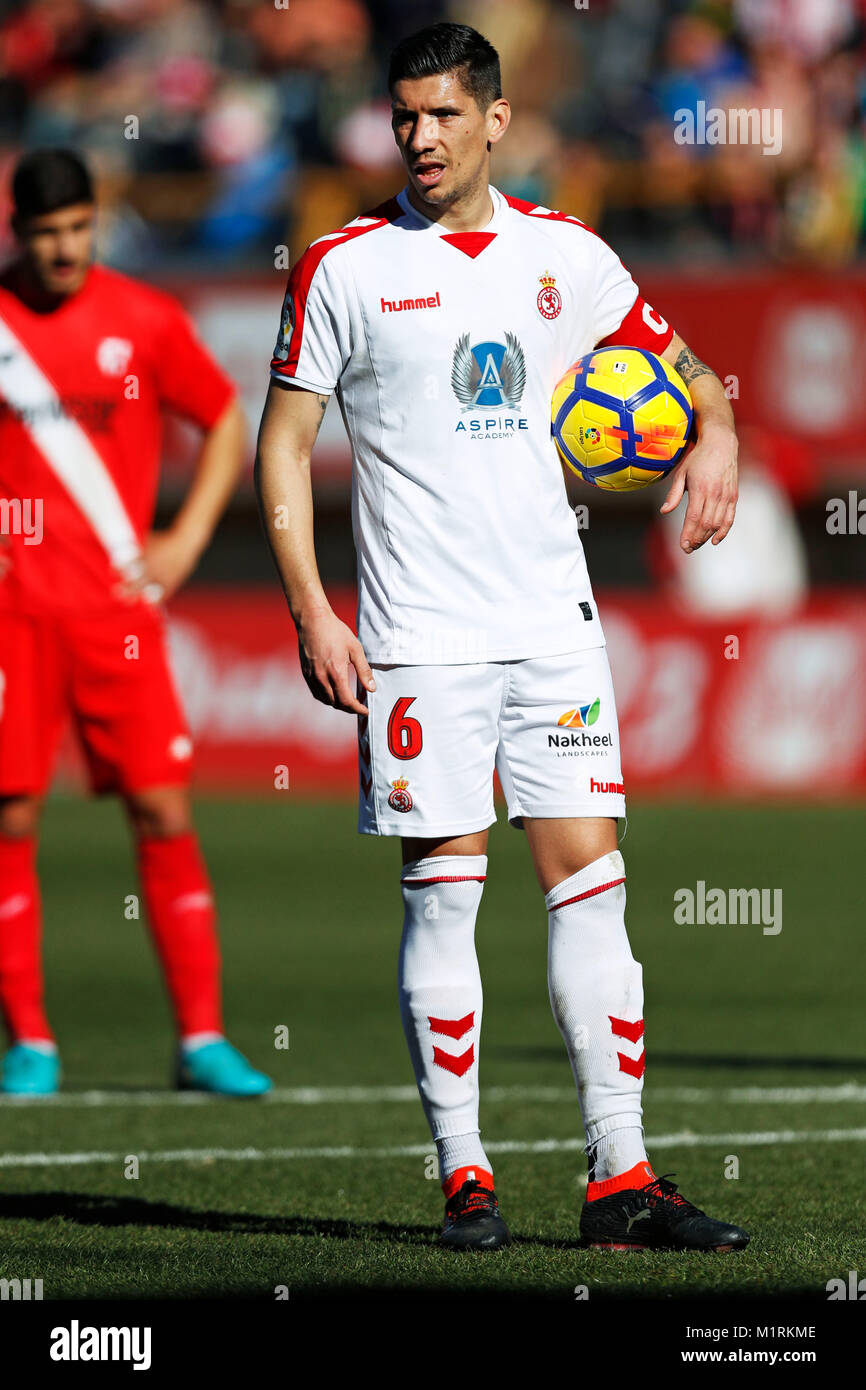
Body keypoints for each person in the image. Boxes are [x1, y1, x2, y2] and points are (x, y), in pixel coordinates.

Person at [255, 23, 747, 1251]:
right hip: (418, 636)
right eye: (400, 115)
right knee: (443, 899)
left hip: (552, 629)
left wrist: (717, 435)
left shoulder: (566, 257)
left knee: (592, 891)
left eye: (439, 115)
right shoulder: (342, 266)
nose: (417, 137)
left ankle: (618, 1179)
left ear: (493, 119)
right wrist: (314, 610)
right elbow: (280, 446)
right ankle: (464, 1173)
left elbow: (681, 365)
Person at [0, 148, 271, 1098]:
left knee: (161, 807)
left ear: (97, 219)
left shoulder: (145, 320)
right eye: (45, 234)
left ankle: (201, 1041)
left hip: (117, 614)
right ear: (17, 231)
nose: (64, 249)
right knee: (11, 817)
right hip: (13, 619)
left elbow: (226, 416)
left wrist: (185, 540)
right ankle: (29, 1043)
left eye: (77, 228)